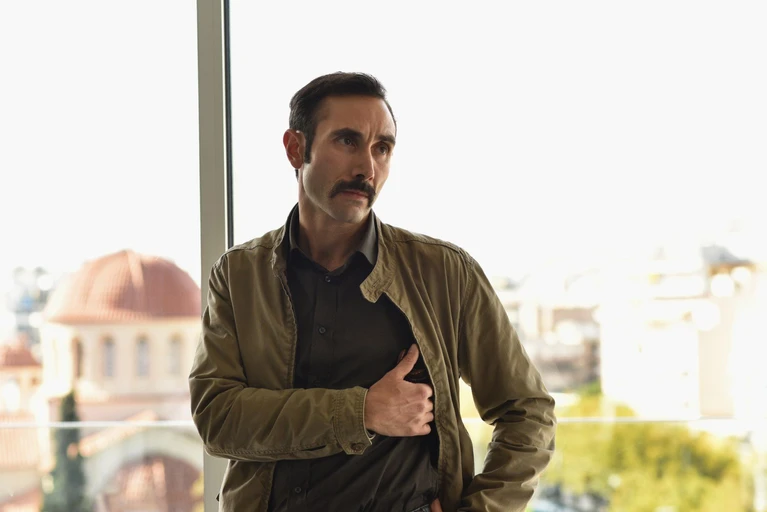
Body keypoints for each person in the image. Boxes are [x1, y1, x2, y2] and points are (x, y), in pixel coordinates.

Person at [189, 72, 556, 512]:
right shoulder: (239, 274)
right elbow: (218, 419)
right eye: (347, 141)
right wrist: (361, 412)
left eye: (382, 147)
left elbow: (527, 411)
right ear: (295, 149)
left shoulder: (444, 272)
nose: (367, 167)